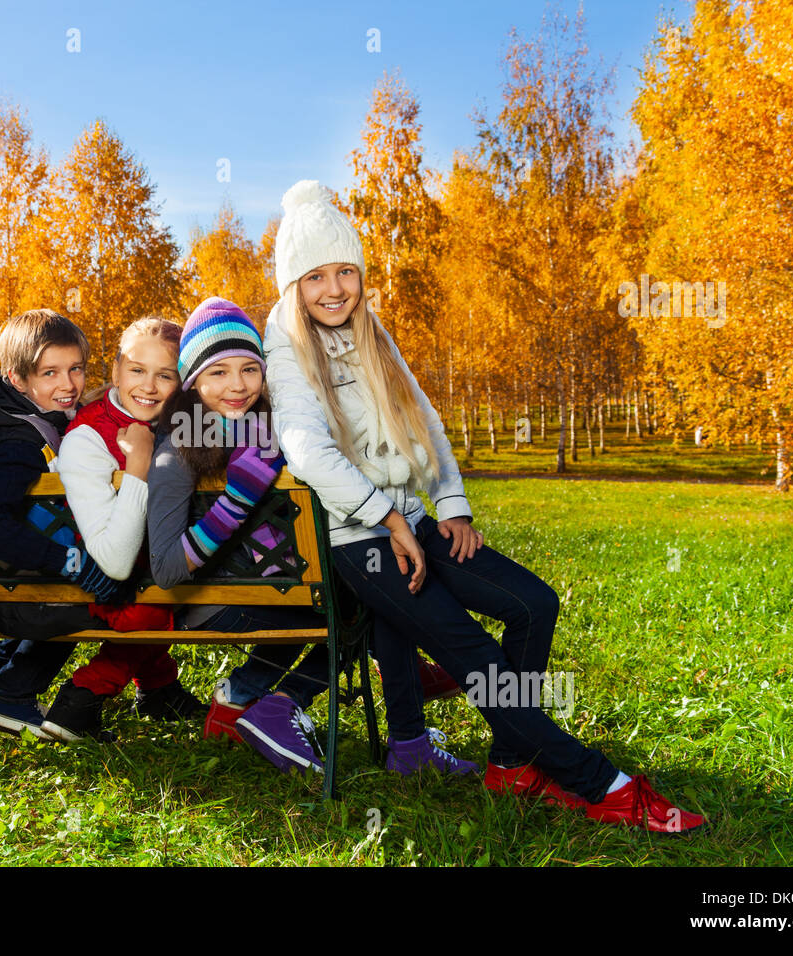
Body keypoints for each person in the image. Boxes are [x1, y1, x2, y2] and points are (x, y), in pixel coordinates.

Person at [264, 180, 705, 833]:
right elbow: (305, 449)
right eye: (315, 276)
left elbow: (426, 422)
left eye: (346, 271)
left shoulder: (370, 330)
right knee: (477, 658)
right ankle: (600, 784)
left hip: (410, 522)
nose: (334, 288)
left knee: (533, 605)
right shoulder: (285, 344)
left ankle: (511, 765)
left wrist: (451, 505)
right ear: (293, 286)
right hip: (359, 541)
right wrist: (387, 520)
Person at [146, 297, 330, 774]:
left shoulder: (271, 432)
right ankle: (277, 702)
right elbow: (165, 570)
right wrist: (235, 502)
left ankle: (244, 699)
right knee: (362, 609)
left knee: (360, 598)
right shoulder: (176, 452)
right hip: (213, 603)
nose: (238, 385)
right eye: (218, 373)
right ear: (192, 383)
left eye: (250, 369)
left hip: (275, 586)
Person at [0, 309, 128, 738]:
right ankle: (10, 696)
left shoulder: (19, 419)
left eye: (76, 370)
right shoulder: (18, 444)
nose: (67, 385)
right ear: (18, 379)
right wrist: (68, 561)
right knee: (95, 590)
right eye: (50, 373)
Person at [40, 317, 207, 741]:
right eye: (137, 370)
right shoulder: (88, 439)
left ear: (182, 383)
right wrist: (139, 467)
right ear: (115, 371)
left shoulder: (184, 423)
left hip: (152, 568)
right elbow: (113, 561)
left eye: (165, 375)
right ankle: (84, 693)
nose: (149, 387)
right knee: (165, 592)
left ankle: (159, 688)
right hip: (101, 580)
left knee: (172, 576)